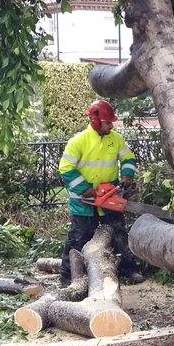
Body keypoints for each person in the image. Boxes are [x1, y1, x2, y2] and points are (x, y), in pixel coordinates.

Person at [58, 99, 144, 285]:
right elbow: (65, 167)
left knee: (119, 232)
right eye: (108, 122)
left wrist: (127, 174)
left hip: (109, 195)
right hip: (84, 199)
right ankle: (68, 275)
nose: (111, 125)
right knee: (79, 236)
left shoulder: (116, 139)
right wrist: (84, 188)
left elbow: (128, 157)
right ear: (95, 121)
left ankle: (129, 270)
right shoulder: (78, 141)